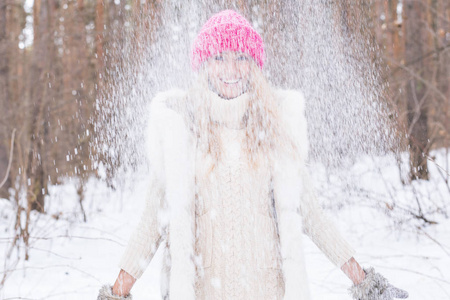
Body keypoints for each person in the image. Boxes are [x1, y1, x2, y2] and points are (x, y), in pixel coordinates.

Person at [98, 9, 408, 300]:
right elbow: (152, 224)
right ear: (204, 65)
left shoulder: (274, 132)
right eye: (219, 57)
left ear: (254, 65)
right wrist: (115, 293)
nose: (230, 69)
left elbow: (313, 218)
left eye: (241, 57)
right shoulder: (182, 133)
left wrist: (366, 284)